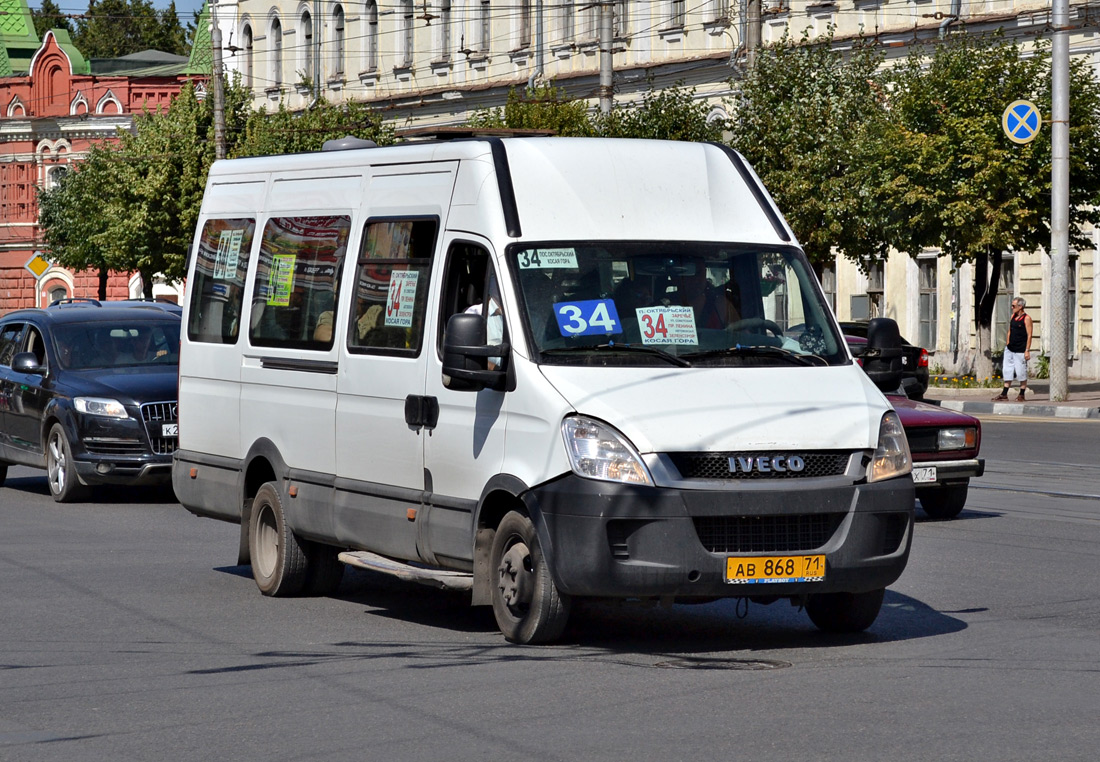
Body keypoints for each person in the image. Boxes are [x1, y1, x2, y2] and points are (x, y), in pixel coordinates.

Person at [993, 297, 1034, 401]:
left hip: (1021, 350)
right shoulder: (1013, 316)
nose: (1012, 308)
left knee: (1021, 372)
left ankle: (1021, 394)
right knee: (1007, 370)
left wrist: (1027, 350)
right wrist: (1007, 343)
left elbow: (1029, 335)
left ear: (1020, 306)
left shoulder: (1027, 318)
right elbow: (1009, 331)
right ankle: (1004, 394)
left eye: (1013, 306)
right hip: (1010, 349)